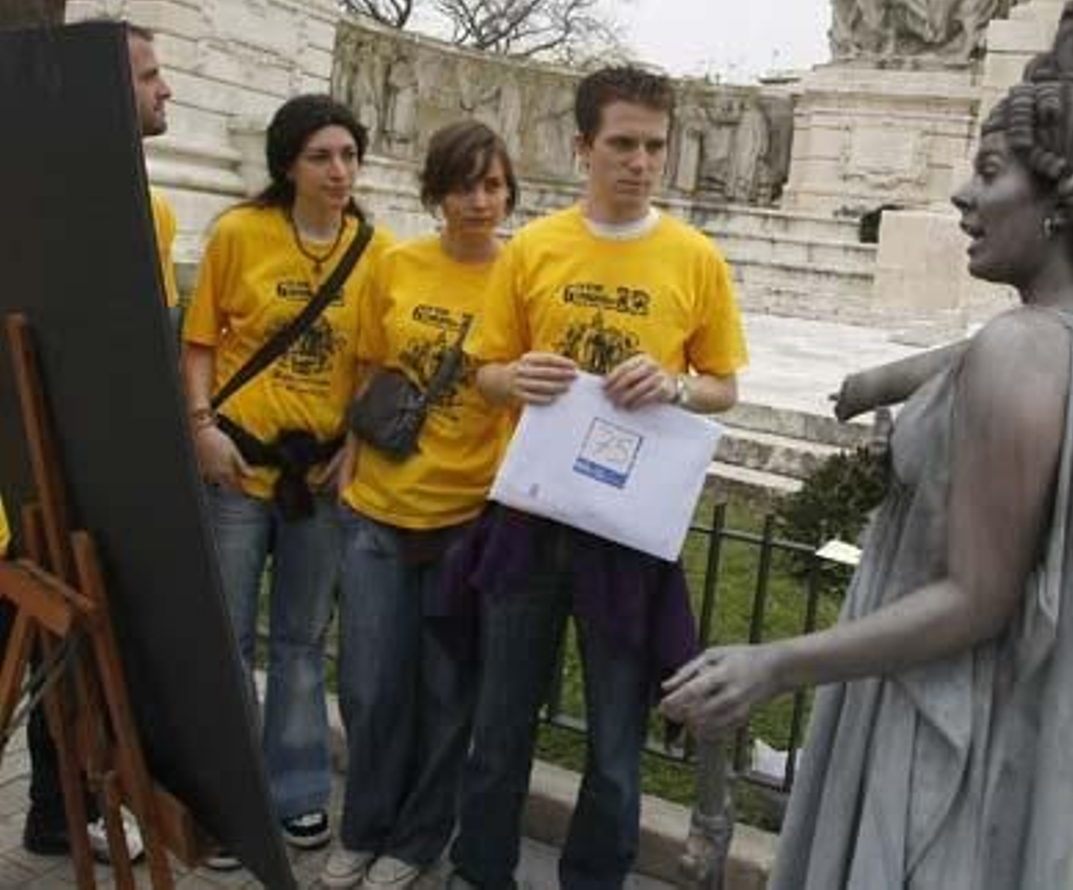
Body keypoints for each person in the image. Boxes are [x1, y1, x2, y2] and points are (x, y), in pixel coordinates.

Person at [661, 0, 1073, 888]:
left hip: (940, 717)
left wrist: (775, 663)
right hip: (996, 713)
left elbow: (978, 600)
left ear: (1061, 198)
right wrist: (890, 378)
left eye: (989, 174)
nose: (959, 195)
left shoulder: (1020, 351)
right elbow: (979, 352)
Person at [450, 65, 748, 890]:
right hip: (532, 518)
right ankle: (480, 873)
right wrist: (517, 380)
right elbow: (481, 372)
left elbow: (724, 384)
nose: (640, 161)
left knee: (617, 745)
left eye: (655, 145)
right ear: (582, 146)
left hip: (626, 533)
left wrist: (675, 385)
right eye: (621, 143)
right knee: (500, 725)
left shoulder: (696, 258)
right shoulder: (535, 247)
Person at [181, 94, 392, 866]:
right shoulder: (240, 233)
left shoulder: (373, 251)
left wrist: (358, 451)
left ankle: (297, 789)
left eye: (348, 156)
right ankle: (230, 796)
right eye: (321, 157)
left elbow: (372, 365)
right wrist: (200, 426)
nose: (339, 171)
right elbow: (201, 340)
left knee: (303, 641)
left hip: (318, 476)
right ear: (287, 165)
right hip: (238, 466)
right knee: (227, 638)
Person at [320, 121, 516, 890]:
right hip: (378, 507)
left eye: (494, 185)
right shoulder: (395, 264)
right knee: (370, 686)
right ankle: (363, 826)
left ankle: (416, 839)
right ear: (436, 192)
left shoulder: (522, 272)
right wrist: (352, 451)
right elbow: (368, 364)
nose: (480, 200)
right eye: (465, 185)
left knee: (445, 693)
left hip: (469, 515)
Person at [18, 20, 177, 863]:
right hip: (14, 479)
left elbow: (139, 348)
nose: (166, 91)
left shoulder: (153, 211)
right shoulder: (25, 194)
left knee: (66, 666)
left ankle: (54, 812)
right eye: (150, 76)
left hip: (83, 481)